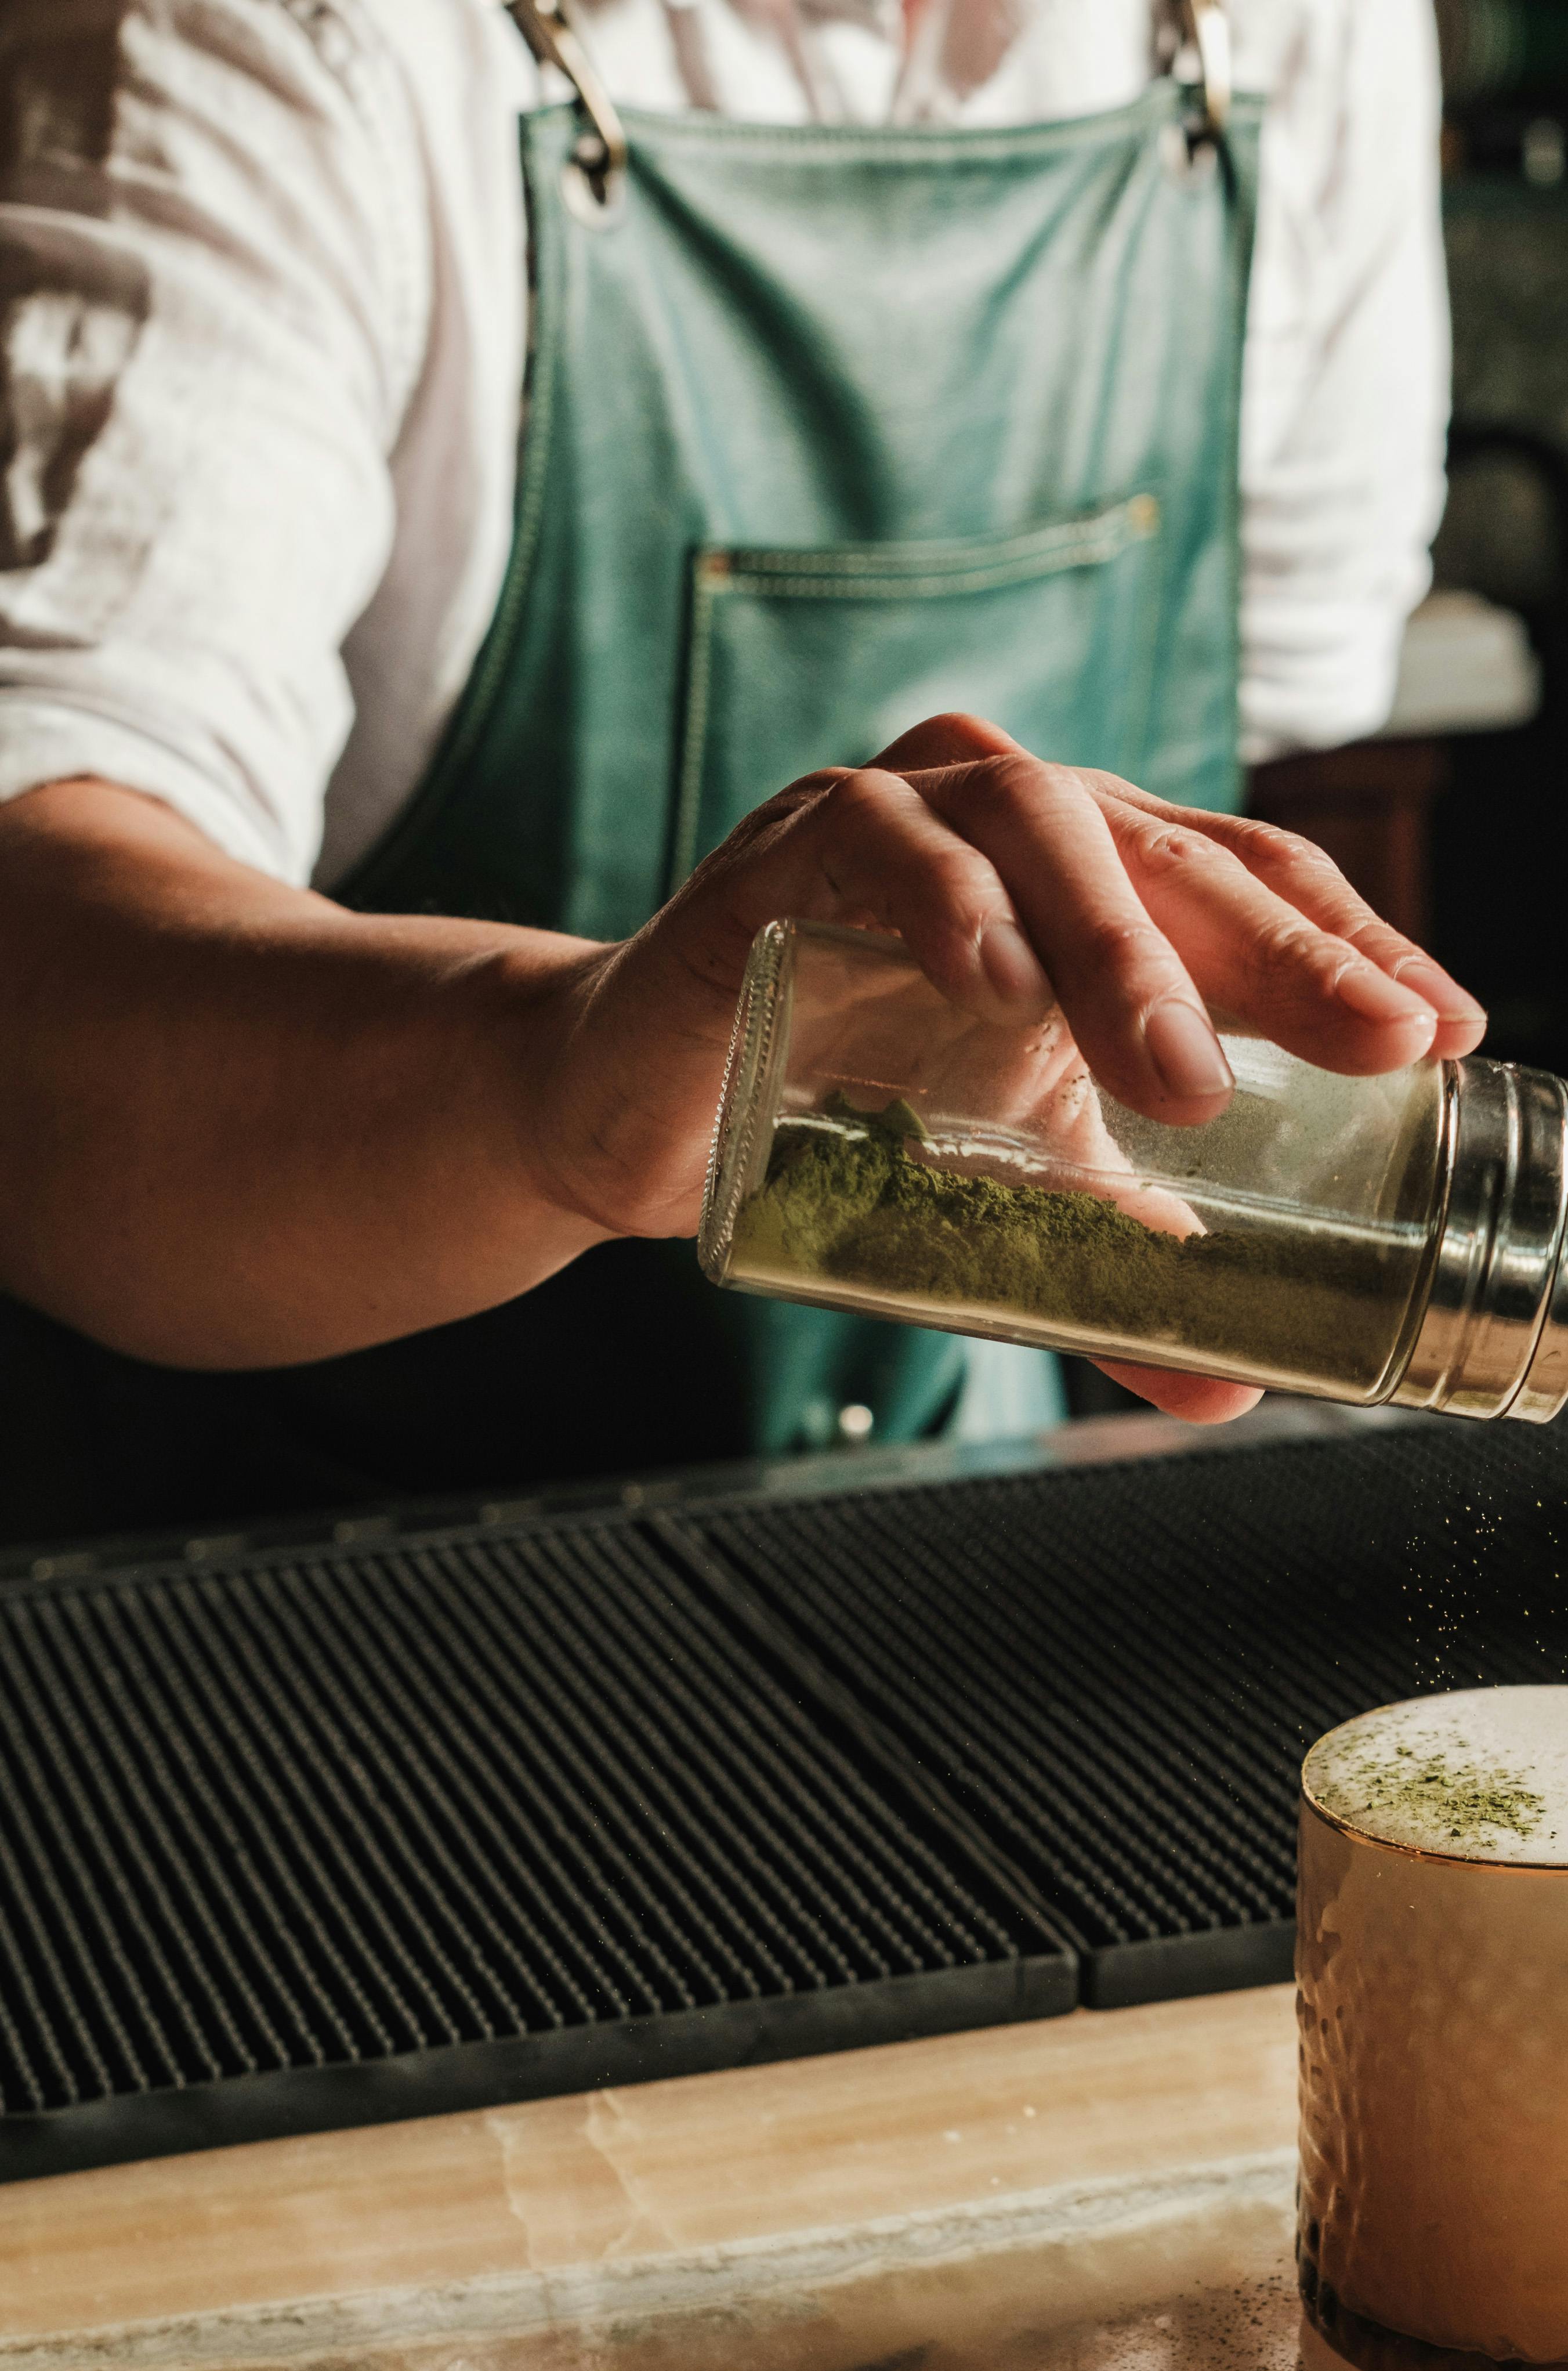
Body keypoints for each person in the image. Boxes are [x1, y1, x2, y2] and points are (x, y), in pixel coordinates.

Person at [0, 0, 1478, 1547]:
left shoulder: (1291, 27)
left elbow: (1274, 685)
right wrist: (562, 1079)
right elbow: (36, 957)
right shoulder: (262, 38)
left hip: (996, 1506)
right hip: (346, 1554)